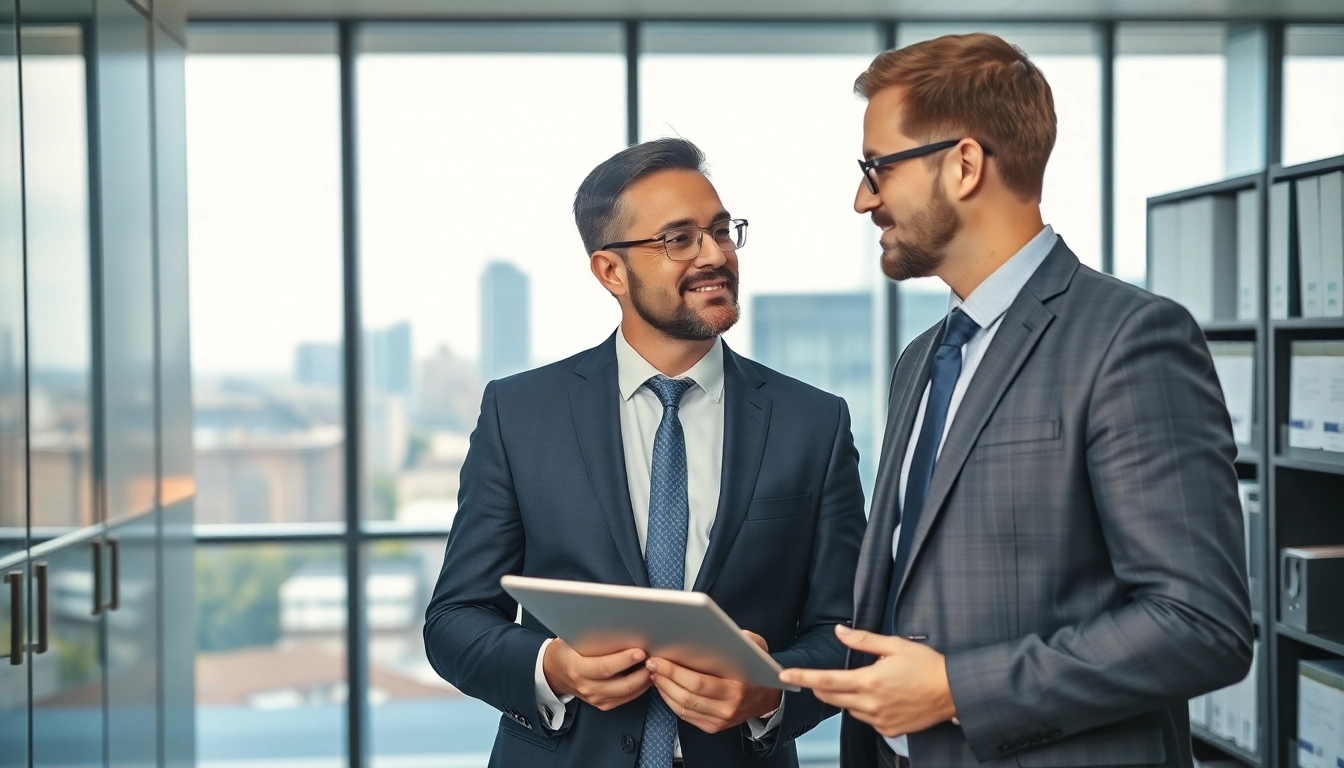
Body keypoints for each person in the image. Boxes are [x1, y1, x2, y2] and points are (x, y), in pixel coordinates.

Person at [779, 33, 1254, 768]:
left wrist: (959, 691)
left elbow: (1200, 625)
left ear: (964, 165)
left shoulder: (1130, 338)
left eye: (877, 167)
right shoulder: (920, 361)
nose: (862, 198)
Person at [424, 137, 867, 767]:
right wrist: (553, 667)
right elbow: (455, 620)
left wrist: (772, 689)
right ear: (610, 271)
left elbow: (847, 632)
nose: (715, 254)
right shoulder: (520, 414)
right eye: (679, 238)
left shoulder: (813, 423)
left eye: (721, 231)